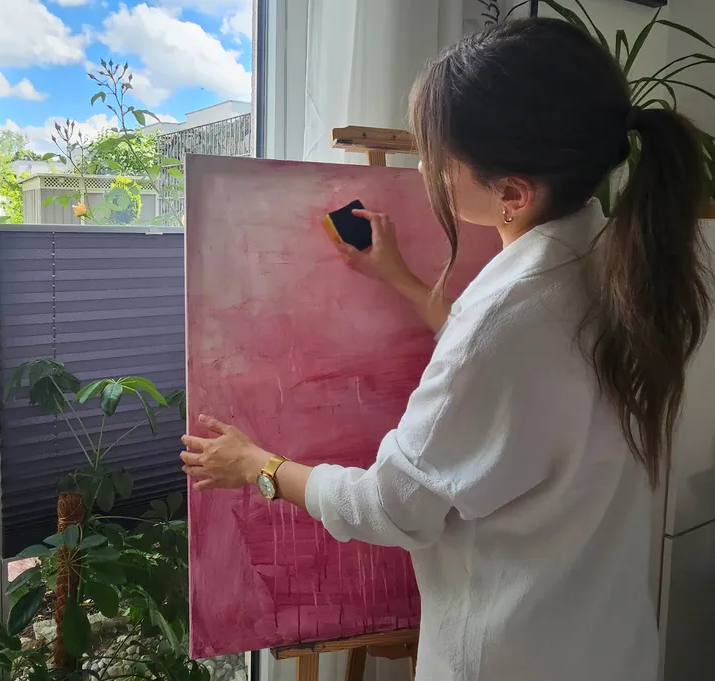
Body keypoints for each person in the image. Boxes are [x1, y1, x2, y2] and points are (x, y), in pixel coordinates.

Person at [180, 17, 710, 681]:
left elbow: (388, 506)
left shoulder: (509, 321)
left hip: (511, 657)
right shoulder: (620, 259)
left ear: (512, 193)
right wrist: (400, 278)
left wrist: (259, 464)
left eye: (438, 158)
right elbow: (517, 371)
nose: (426, 170)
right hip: (609, 646)